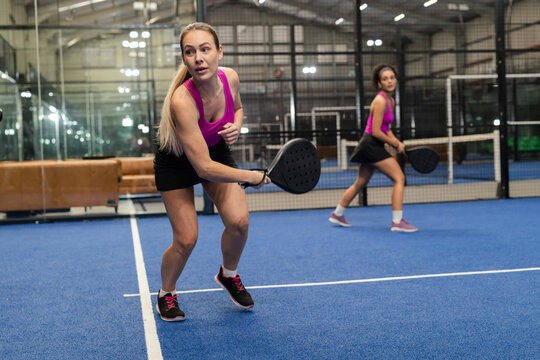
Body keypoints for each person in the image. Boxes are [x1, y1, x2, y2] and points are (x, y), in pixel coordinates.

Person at [154, 22, 271, 321]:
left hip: (214, 150)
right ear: (184, 58)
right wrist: (251, 176)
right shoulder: (182, 100)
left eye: (205, 49)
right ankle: (166, 293)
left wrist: (237, 126)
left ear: (219, 51)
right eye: (190, 52)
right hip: (177, 161)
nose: (198, 58)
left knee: (240, 222)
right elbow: (203, 167)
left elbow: (239, 108)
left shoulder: (230, 77)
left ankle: (228, 274)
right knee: (186, 239)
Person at [329, 64, 418, 232]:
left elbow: (386, 128)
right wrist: (395, 144)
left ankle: (337, 214)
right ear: (379, 84)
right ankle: (397, 222)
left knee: (360, 183)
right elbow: (376, 131)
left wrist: (397, 142)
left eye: (392, 77)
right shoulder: (379, 101)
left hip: (372, 144)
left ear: (396, 79)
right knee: (400, 178)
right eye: (385, 79)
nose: (390, 81)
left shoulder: (390, 100)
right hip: (371, 144)